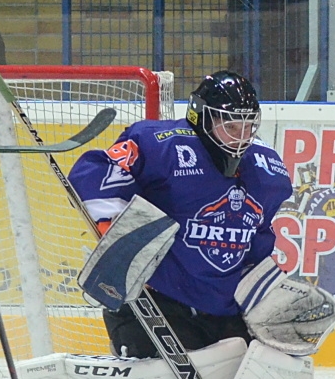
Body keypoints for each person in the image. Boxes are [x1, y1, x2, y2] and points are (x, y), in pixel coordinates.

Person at [68, 71, 297, 357]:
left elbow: (258, 240)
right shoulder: (162, 145)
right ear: (202, 118)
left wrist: (264, 288)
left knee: (260, 363)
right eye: (232, 126)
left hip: (221, 310)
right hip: (156, 302)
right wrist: (113, 225)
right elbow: (96, 169)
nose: (242, 137)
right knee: (161, 362)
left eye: (249, 127)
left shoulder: (266, 167)